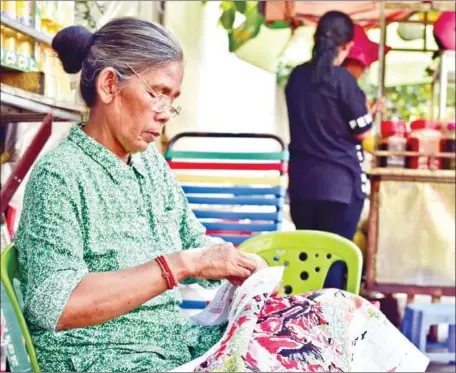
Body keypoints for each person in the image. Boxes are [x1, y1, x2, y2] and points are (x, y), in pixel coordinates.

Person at [14, 17, 426, 373]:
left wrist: (238, 269)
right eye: (157, 92)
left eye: (173, 100)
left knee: (330, 313)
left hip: (171, 345)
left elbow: (193, 240)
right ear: (109, 86)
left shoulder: (147, 162)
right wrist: (180, 265)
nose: (163, 112)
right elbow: (56, 306)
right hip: (109, 359)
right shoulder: (60, 175)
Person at [285, 12, 373, 289]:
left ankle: (302, 327)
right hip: (340, 187)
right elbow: (364, 131)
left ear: (315, 38)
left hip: (301, 186)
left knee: (306, 261)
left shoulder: (296, 78)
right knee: (334, 261)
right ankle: (329, 329)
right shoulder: (343, 81)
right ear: (346, 47)